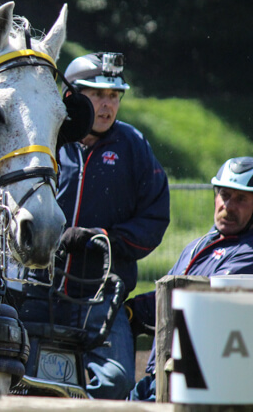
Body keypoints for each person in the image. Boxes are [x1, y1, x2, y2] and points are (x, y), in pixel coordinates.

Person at [15, 52, 170, 399]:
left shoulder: (134, 146)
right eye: (97, 94)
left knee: (116, 382)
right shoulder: (44, 139)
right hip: (34, 290)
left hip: (101, 295)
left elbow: (156, 218)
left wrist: (103, 239)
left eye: (114, 96)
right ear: (70, 97)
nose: (107, 105)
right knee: (15, 375)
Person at [127, 156, 253, 401]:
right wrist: (134, 311)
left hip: (199, 383)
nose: (228, 206)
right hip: (161, 374)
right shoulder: (198, 245)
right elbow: (170, 294)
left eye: (241, 199)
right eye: (224, 195)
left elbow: (203, 304)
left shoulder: (248, 253)